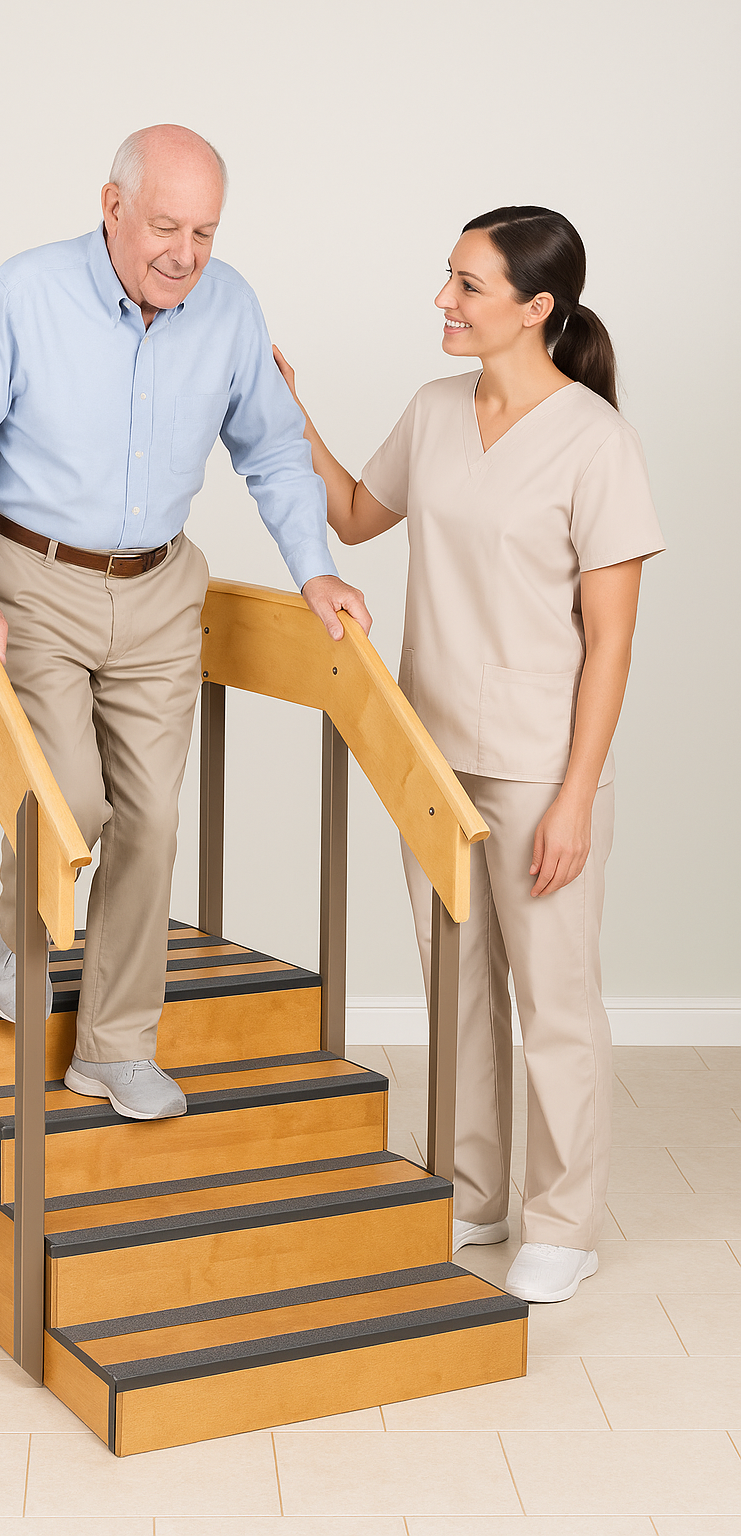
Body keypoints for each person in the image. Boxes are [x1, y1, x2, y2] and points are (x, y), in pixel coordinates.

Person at [0, 125, 370, 1123]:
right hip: (30, 579)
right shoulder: (23, 293)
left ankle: (113, 1046)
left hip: (161, 590)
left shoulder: (230, 305)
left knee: (151, 818)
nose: (186, 254)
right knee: (68, 797)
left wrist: (315, 572)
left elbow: (275, 452)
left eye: (204, 230)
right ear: (110, 207)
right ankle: (16, 933)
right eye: (165, 225)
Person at [274, 206, 664, 1303]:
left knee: (555, 997)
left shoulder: (596, 441)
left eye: (467, 285)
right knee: (460, 990)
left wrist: (575, 798)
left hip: (544, 762)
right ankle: (478, 1189)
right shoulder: (435, 410)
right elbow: (353, 516)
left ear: (535, 310)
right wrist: (287, 410)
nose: (442, 300)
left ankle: (563, 1218)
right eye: (446, 277)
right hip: (431, 752)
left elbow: (613, 641)